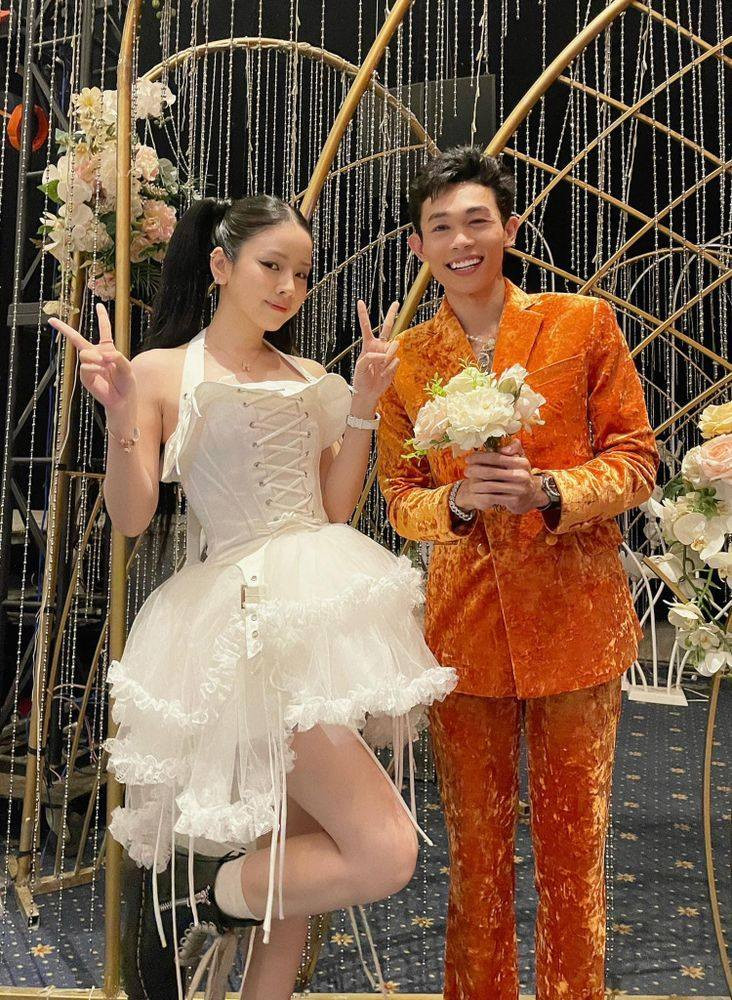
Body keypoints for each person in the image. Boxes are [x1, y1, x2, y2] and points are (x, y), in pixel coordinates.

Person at [50, 194, 457, 1000]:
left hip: (320, 609)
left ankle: (235, 935)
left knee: (295, 878)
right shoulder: (162, 370)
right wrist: (122, 413)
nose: (288, 288)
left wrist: (364, 405)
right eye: (271, 266)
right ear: (220, 265)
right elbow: (131, 516)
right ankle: (204, 899)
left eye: (302, 274)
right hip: (241, 623)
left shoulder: (310, 379)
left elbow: (332, 510)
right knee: (384, 851)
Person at [376, 147, 659, 1000]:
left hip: (577, 622)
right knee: (476, 856)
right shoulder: (408, 360)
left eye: (477, 221)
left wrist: (551, 491)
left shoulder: (582, 323)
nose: (461, 241)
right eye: (441, 228)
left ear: (510, 228)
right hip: (464, 636)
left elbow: (638, 461)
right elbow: (399, 497)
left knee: (576, 853)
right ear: (419, 247)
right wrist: (457, 504)